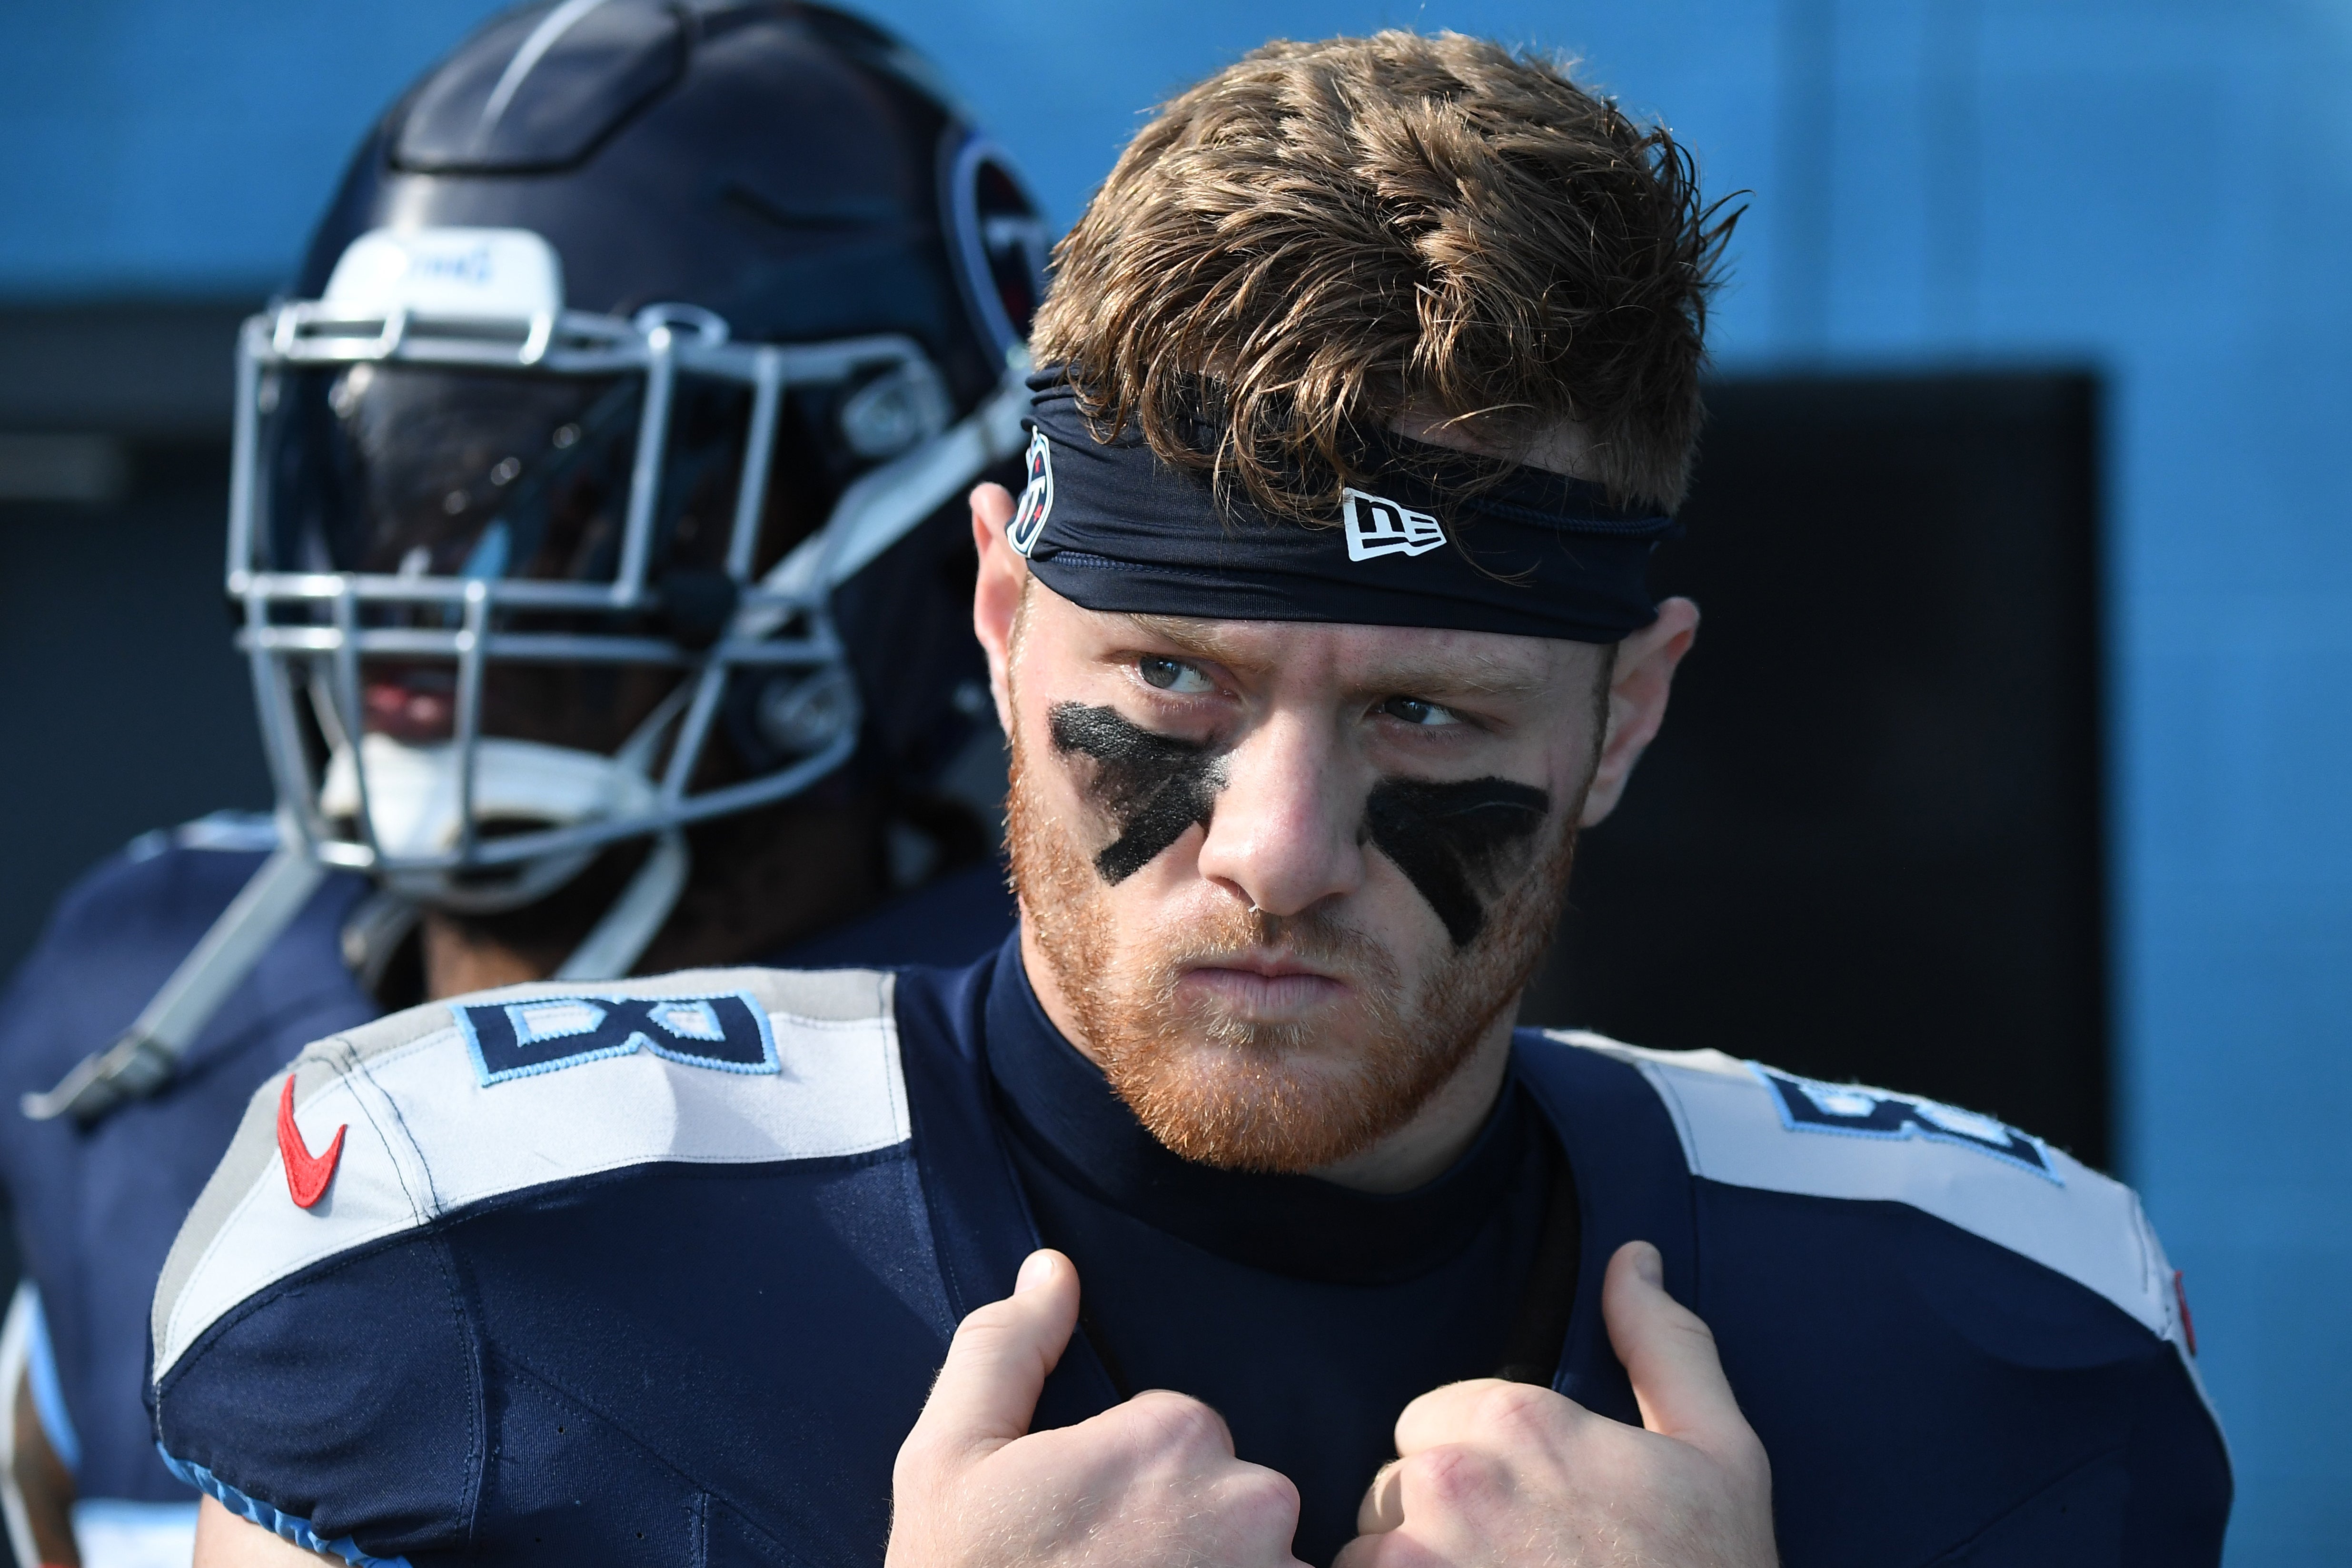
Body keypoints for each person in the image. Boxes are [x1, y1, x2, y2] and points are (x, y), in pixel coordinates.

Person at [155, 30, 2229, 1568]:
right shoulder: (488, 1259)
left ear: (1625, 714)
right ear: (996, 617)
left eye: (1425, 712)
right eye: (1173, 682)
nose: (1279, 846)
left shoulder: (2003, 1330)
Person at [0, 2, 1046, 1562]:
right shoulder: (152, 980)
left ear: (902, 532)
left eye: (582, 491)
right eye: (391, 473)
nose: (421, 585)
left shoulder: (1051, 1058)